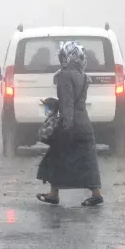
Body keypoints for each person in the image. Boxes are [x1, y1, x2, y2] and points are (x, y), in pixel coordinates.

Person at [36, 41, 104, 207]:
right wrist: (56, 103)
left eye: (62, 55)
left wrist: (66, 126)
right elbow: (75, 101)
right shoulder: (81, 74)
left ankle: (54, 194)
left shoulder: (65, 75)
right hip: (84, 124)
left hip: (71, 123)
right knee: (87, 161)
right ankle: (96, 194)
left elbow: (68, 103)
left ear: (68, 56)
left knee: (56, 156)